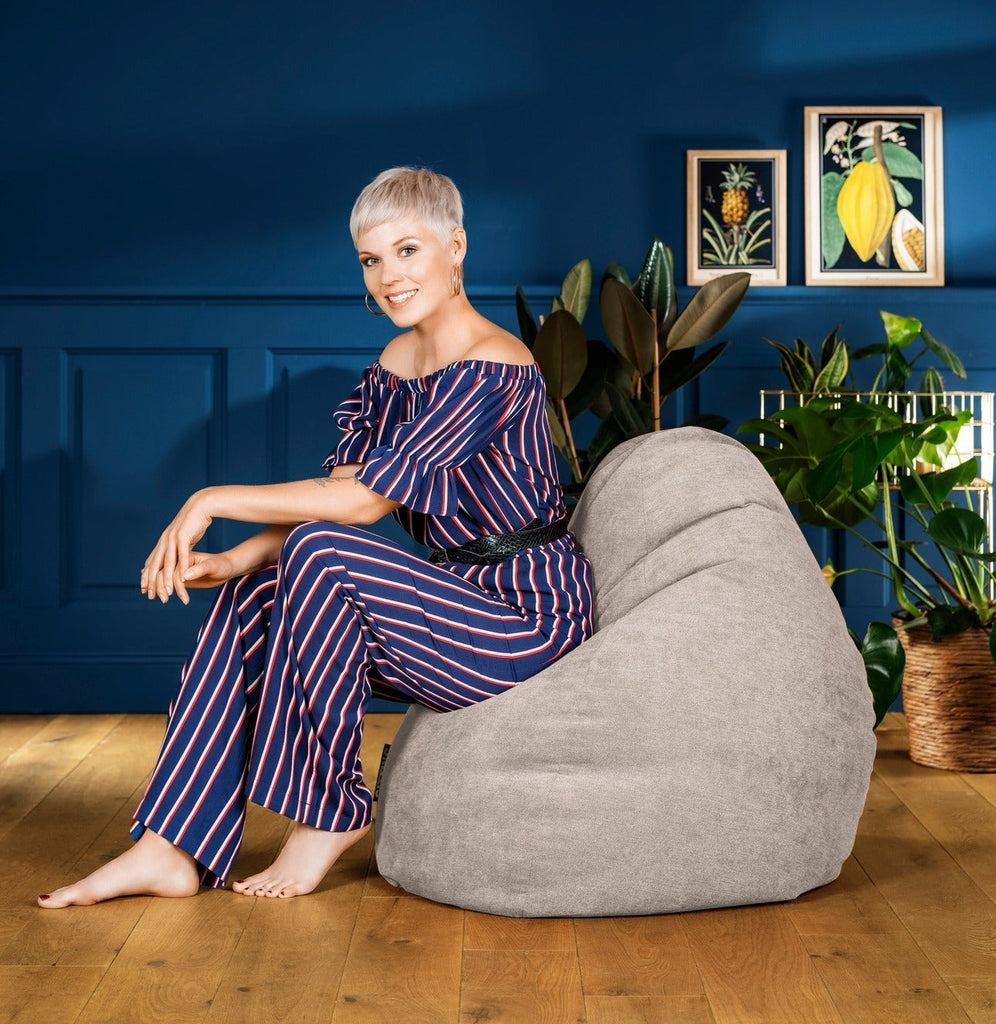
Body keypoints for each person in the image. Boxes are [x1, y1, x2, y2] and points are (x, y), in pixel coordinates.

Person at [38, 167, 594, 908]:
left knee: (320, 553)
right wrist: (235, 558)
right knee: (259, 589)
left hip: (526, 618)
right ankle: (170, 845)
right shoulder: (394, 369)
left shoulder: (494, 366)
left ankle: (332, 813)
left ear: (455, 247)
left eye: (407, 251)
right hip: (452, 601)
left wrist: (210, 498)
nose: (388, 278)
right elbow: (334, 496)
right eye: (371, 259)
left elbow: (360, 505)